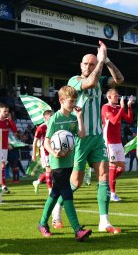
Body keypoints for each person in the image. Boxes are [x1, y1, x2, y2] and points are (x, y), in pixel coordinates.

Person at [53, 40, 124, 233]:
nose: (88, 66)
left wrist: (107, 60)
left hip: (97, 137)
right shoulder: (74, 81)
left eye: (92, 64)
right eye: (86, 63)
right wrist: (100, 61)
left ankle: (104, 221)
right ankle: (57, 208)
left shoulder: (101, 80)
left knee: (103, 175)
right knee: (75, 182)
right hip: (79, 138)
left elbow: (119, 80)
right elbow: (90, 81)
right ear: (80, 65)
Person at [38, 86, 91, 241]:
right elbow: (47, 142)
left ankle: (42, 223)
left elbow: (81, 135)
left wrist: (80, 117)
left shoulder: (74, 117)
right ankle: (77, 229)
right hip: (57, 163)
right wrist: (54, 153)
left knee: (55, 194)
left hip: (69, 161)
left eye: (75, 100)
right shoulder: (55, 118)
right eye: (71, 101)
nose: (73, 103)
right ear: (61, 100)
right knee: (67, 193)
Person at [101, 89, 133, 201]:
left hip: (118, 142)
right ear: (108, 96)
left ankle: (106, 184)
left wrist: (128, 106)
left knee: (122, 168)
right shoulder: (106, 108)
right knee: (113, 167)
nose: (117, 97)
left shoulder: (118, 108)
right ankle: (113, 194)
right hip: (109, 142)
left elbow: (129, 119)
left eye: (117, 95)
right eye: (115, 95)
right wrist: (122, 107)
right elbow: (114, 121)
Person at [0, 104, 18, 194]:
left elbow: (15, 130)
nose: (6, 113)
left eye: (7, 111)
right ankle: (3, 186)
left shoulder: (7, 122)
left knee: (1, 166)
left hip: (4, 147)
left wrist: (10, 120)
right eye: (4, 111)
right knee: (1, 165)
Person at [32, 110, 53, 194]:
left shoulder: (54, 126)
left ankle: (37, 182)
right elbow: (35, 141)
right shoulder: (41, 127)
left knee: (52, 170)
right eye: (50, 115)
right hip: (44, 152)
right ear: (45, 117)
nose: (52, 117)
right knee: (49, 169)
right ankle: (50, 190)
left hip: (53, 150)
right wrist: (34, 154)